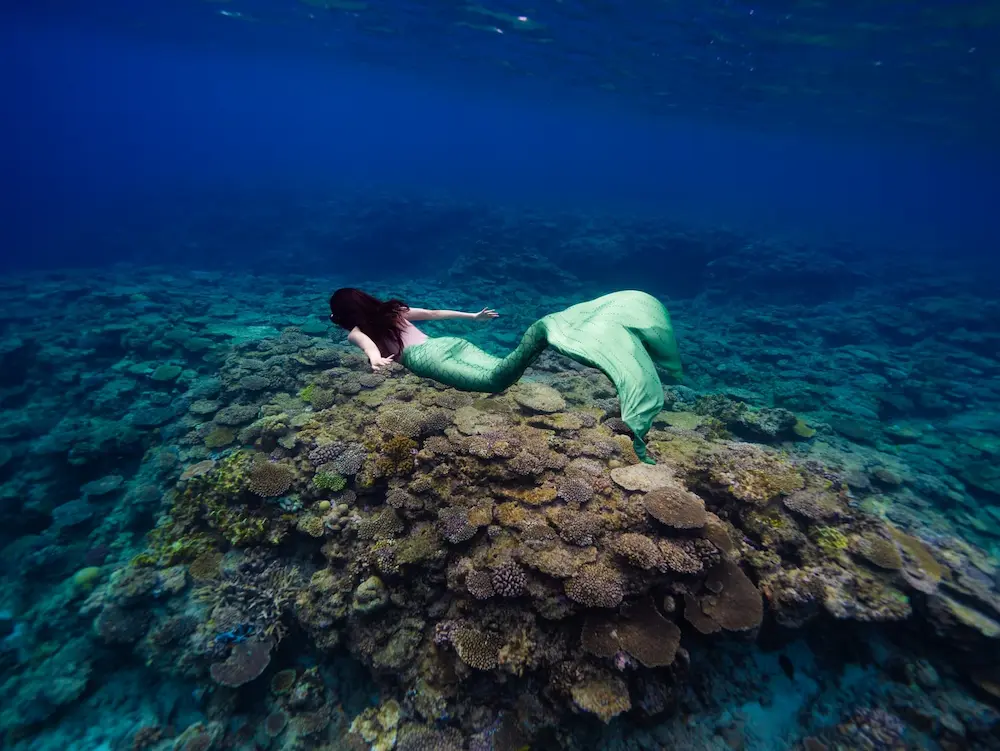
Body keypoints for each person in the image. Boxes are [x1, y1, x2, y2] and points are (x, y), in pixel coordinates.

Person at [328, 287, 682, 464]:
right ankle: (554, 330)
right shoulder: (394, 311)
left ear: (344, 314)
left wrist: (376, 361)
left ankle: (543, 332)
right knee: (500, 370)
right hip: (451, 344)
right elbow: (434, 313)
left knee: (498, 381)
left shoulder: (357, 330)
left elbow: (366, 346)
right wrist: (473, 318)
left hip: (427, 359)